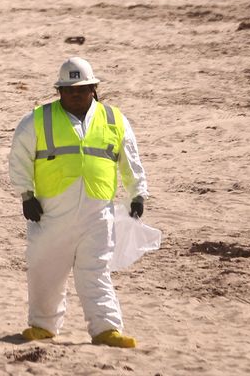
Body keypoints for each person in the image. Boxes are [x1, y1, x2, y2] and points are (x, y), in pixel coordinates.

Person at [9, 57, 149, 349]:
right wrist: (26, 194)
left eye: (82, 88)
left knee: (95, 271)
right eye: (69, 88)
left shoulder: (114, 119)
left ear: (94, 88)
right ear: (59, 91)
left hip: (98, 213)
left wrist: (137, 193)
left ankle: (106, 329)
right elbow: (19, 157)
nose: (75, 94)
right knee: (45, 268)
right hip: (50, 212)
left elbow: (130, 159)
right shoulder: (38, 119)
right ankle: (43, 325)